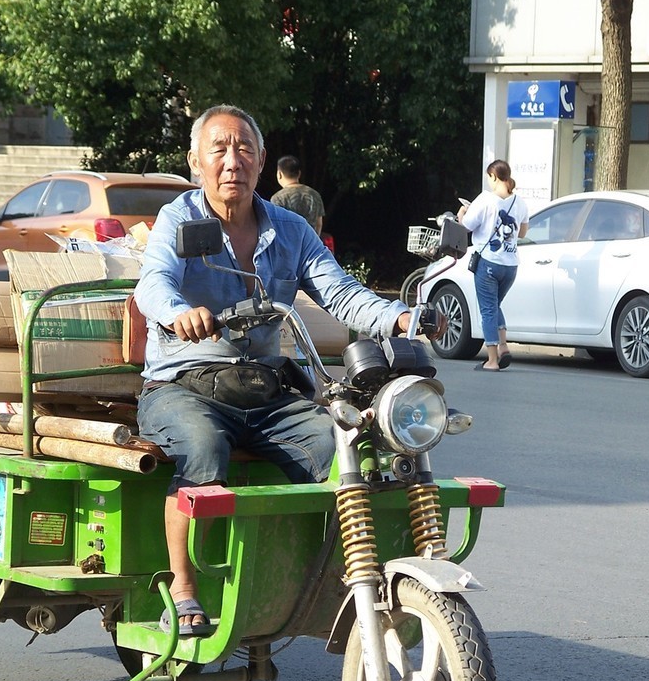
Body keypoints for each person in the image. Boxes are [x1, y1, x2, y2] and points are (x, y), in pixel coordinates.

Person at [133, 104, 443, 635]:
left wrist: (401, 317)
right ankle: (183, 591)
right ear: (195, 162)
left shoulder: (291, 229)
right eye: (220, 149)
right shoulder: (180, 219)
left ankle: (332, 579)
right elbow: (153, 282)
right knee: (203, 447)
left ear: (261, 161)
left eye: (245, 149)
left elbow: (340, 293)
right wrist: (181, 313)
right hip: (184, 384)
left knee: (341, 445)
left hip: (263, 387)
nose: (233, 161)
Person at [458, 159, 529, 371]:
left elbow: (467, 226)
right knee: (495, 305)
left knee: (488, 309)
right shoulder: (520, 202)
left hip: (488, 263)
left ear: (494, 177)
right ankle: (504, 347)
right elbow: (523, 233)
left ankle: (491, 360)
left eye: (489, 177)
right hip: (510, 265)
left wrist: (462, 213)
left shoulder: (485, 200)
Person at [270, 155, 326, 236]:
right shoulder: (314, 194)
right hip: (311, 244)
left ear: (279, 174)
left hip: (289, 246)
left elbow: (276, 226)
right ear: (299, 173)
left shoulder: (278, 198)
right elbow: (319, 224)